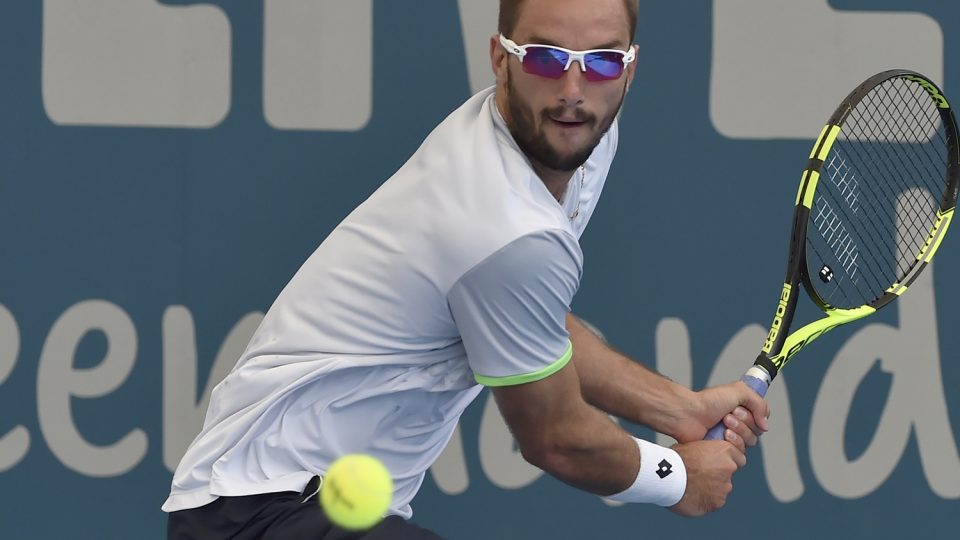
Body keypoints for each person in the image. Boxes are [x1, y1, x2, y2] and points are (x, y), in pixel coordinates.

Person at [163, 0, 770, 537]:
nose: (574, 89)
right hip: (263, 508)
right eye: (545, 58)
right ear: (499, 59)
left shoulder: (579, 144)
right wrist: (676, 478)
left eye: (603, 61)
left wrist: (680, 409)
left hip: (292, 506)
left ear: (630, 68)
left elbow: (534, 325)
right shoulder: (503, 223)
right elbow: (555, 438)